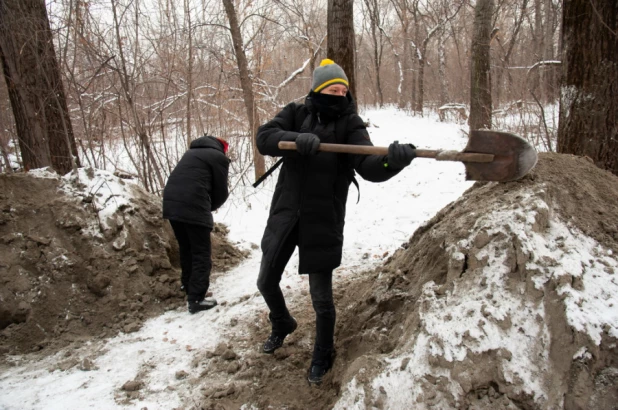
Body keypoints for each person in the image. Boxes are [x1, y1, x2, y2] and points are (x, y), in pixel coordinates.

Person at [255, 59, 416, 384]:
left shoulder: (350, 123)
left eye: (343, 89)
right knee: (265, 281)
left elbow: (369, 164)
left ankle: (322, 352)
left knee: (322, 301)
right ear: (317, 89)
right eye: (332, 88)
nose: (339, 93)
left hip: (323, 221)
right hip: (286, 215)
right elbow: (264, 137)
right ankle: (282, 321)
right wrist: (296, 139)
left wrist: (392, 163)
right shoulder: (297, 112)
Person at [163, 135, 230, 314]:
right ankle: (197, 299)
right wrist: (209, 207)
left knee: (186, 248)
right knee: (201, 252)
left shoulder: (190, 154)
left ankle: (187, 285)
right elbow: (222, 191)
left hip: (171, 204)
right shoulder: (218, 157)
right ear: (222, 148)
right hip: (193, 204)